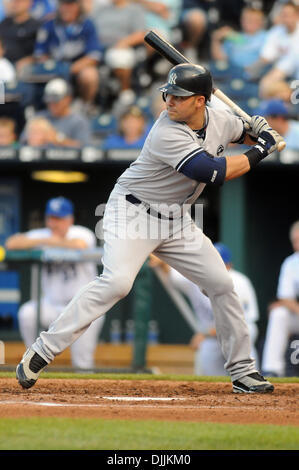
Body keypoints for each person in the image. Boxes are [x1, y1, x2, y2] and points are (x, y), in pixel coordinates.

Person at [15, 62, 283, 393]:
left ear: (201, 101)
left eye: (178, 96)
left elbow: (239, 132)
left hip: (176, 219)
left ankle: (243, 371)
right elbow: (213, 172)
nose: (168, 101)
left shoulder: (222, 119)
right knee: (116, 282)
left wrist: (256, 129)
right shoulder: (166, 131)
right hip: (132, 213)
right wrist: (262, 148)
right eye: (167, 94)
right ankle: (41, 350)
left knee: (222, 284)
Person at [6, 196, 104, 370]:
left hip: (83, 309)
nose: (54, 223)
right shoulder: (42, 235)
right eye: (51, 218)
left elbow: (80, 245)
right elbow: (12, 243)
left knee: (83, 364)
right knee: (27, 313)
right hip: (51, 307)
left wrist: (49, 242)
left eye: (59, 219)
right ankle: (35, 365)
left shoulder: (81, 232)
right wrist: (45, 240)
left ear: (70, 219)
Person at [169, 243, 259, 376]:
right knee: (207, 365)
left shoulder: (238, 281)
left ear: (228, 265)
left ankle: (249, 378)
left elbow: (234, 322)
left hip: (240, 332)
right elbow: (175, 275)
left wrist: (204, 334)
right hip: (212, 337)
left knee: (246, 373)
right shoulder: (200, 279)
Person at [34, 0, 102, 107]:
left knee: (89, 75)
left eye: (70, 5)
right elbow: (40, 54)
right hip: (54, 66)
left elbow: (93, 56)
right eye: (64, 4)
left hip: (77, 67)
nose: (66, 8)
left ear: (78, 6)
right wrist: (52, 67)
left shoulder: (87, 24)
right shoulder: (49, 25)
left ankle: (86, 105)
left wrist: (68, 69)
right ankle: (41, 108)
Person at [262, 220, 299, 377]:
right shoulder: (291, 262)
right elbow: (285, 298)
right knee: (279, 314)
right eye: (295, 241)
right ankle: (272, 370)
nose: (297, 244)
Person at [92, 0, 146, 106]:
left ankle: (125, 91)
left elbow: (141, 34)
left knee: (119, 57)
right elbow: (92, 28)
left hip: (122, 47)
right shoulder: (101, 9)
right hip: (100, 48)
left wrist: (123, 43)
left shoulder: (134, 9)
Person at [21, 77, 91, 147]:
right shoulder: (39, 117)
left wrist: (57, 139)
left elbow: (84, 148)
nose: (52, 104)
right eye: (49, 101)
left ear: (68, 99)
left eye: (56, 101)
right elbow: (22, 142)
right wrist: (34, 137)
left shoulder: (78, 121)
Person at [0, 0, 40, 75]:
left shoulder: (36, 26)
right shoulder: (4, 23)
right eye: (13, 1)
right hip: (4, 64)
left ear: (29, 3)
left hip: (23, 68)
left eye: (19, 1)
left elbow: (41, 53)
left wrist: (28, 60)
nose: (15, 4)